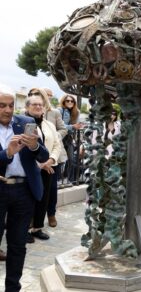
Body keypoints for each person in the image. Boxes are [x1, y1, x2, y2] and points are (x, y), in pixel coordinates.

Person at [0, 89, 49, 291]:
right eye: (2, 105)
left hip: (24, 191)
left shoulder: (24, 122)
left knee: (18, 244)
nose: (8, 109)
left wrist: (35, 146)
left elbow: (43, 155)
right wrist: (7, 154)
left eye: (11, 105)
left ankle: (13, 288)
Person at [28, 87, 67, 227]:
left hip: (50, 163)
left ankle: (47, 218)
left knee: (49, 194)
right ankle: (30, 223)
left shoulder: (51, 118)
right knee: (33, 195)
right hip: (33, 166)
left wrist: (50, 160)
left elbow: (57, 142)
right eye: (32, 97)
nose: (37, 104)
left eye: (39, 98)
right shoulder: (24, 120)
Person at [24, 96, 61, 242]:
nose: (38, 107)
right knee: (28, 200)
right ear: (27, 107)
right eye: (34, 104)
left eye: (40, 105)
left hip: (48, 168)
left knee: (43, 198)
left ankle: (37, 228)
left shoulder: (49, 124)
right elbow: (24, 149)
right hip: (31, 169)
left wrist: (50, 160)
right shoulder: (22, 122)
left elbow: (57, 145)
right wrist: (41, 164)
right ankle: (25, 229)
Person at [59, 94, 84, 186]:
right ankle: (58, 180)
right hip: (60, 137)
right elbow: (60, 125)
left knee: (71, 159)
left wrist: (78, 126)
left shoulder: (76, 112)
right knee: (59, 160)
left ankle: (69, 180)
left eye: (72, 101)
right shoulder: (60, 110)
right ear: (64, 102)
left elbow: (76, 125)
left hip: (69, 138)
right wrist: (72, 126)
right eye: (67, 101)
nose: (70, 102)